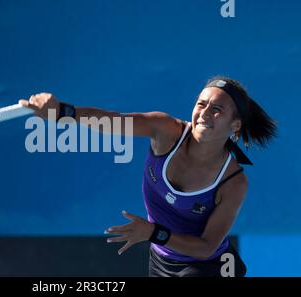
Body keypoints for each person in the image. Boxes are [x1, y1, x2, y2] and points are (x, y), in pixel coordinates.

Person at [19, 76, 277, 277]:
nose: (205, 112)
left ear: (235, 126)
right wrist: (63, 111)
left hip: (209, 267)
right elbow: (112, 121)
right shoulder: (165, 130)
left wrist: (154, 233)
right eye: (201, 103)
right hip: (161, 260)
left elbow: (207, 246)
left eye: (217, 108)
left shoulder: (233, 182)